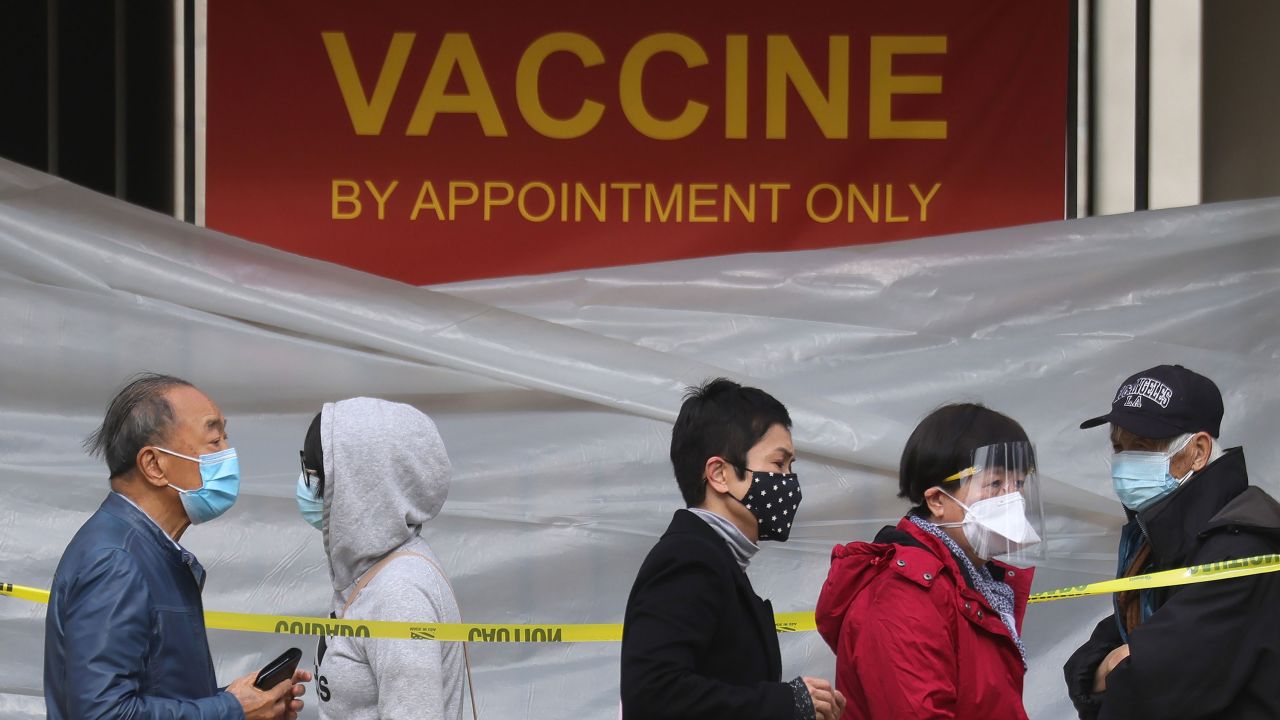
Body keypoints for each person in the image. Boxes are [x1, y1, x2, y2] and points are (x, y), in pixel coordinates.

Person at [44, 373, 309, 719]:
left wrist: (243, 702)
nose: (229, 455)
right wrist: (230, 710)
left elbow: (149, 692)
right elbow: (103, 713)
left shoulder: (149, 551)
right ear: (154, 465)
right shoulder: (116, 561)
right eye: (214, 440)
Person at [1063, 364, 1280, 719]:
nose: (1124, 460)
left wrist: (1116, 665)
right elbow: (1101, 647)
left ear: (1198, 451)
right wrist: (1106, 665)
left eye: (1143, 447)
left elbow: (1150, 689)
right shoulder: (1162, 535)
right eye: (1119, 446)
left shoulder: (1242, 548)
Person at [620, 378, 845, 720]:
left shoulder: (716, 559)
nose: (789, 481)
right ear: (719, 474)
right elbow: (652, 693)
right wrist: (785, 703)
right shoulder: (688, 558)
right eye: (778, 464)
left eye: (791, 467)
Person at [816, 403, 1041, 720]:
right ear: (937, 500)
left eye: (1018, 484)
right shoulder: (904, 597)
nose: (1013, 498)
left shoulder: (975, 586)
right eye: (995, 484)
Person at [294, 397, 466, 720]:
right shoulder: (366, 570)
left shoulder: (400, 594)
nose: (305, 484)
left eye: (315, 472)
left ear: (355, 484)